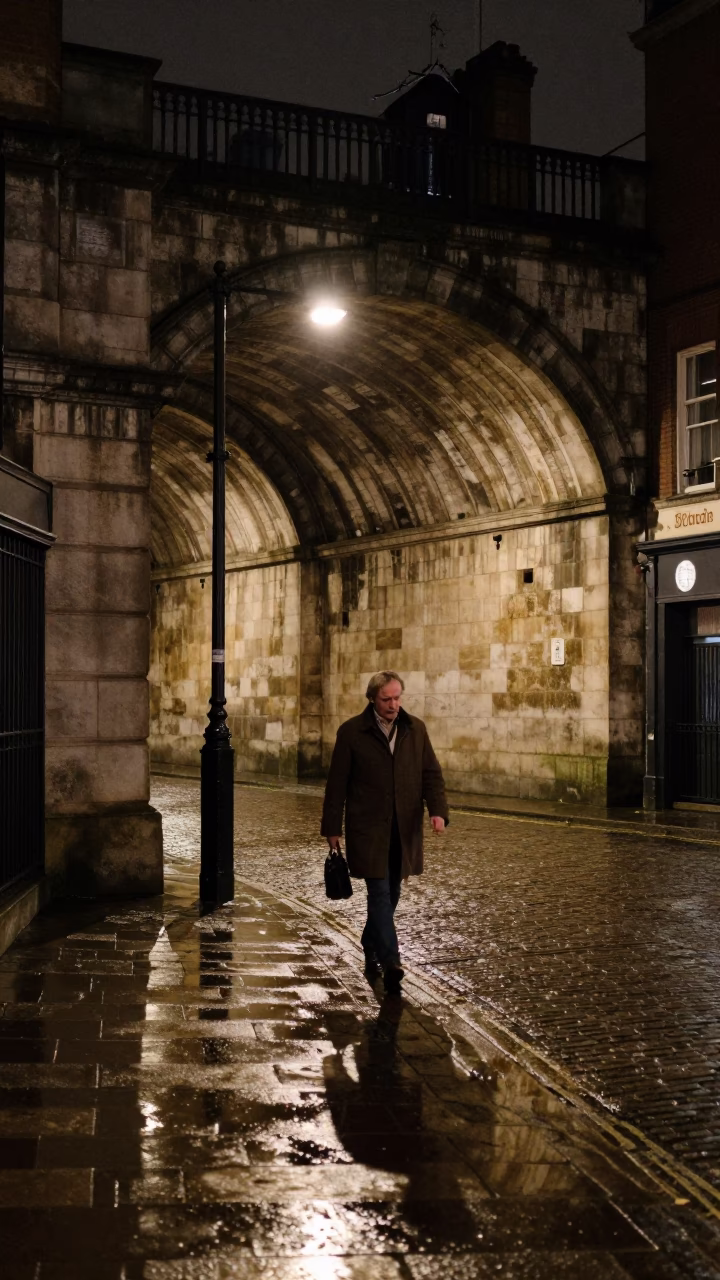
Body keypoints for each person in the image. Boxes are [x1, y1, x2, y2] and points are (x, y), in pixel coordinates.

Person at [321, 670, 449, 995]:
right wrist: (332, 829)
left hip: (404, 829)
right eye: (386, 699)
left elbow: (431, 774)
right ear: (373, 699)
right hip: (369, 830)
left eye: (397, 698)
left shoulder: (415, 729)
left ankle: (369, 941)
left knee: (392, 894)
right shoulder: (351, 733)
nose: (393, 705)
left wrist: (437, 812)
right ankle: (391, 961)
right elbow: (337, 785)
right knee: (378, 893)